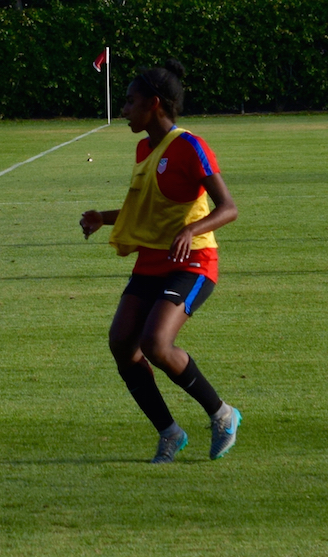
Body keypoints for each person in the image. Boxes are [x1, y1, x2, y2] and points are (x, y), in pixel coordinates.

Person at [79, 59, 241, 464]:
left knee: (155, 342)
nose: (125, 111)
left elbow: (228, 208)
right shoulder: (143, 148)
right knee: (121, 343)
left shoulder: (189, 146)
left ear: (154, 104)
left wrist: (191, 229)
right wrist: (105, 217)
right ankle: (169, 432)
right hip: (152, 261)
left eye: (131, 102)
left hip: (194, 260)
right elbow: (146, 209)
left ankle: (222, 414)